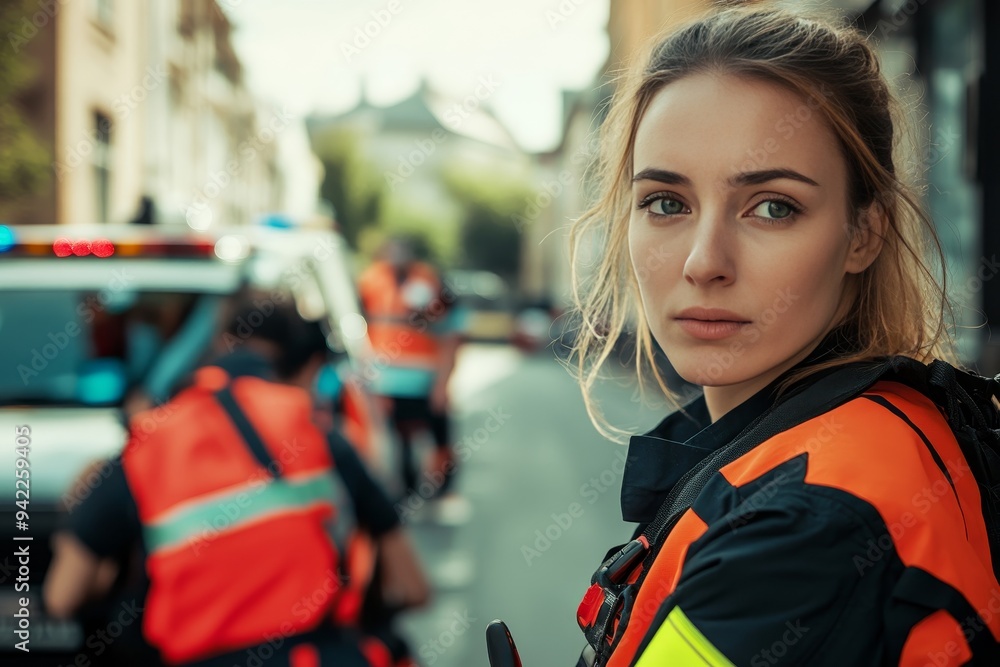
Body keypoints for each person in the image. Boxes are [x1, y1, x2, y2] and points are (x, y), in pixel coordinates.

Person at [560, 6, 1000, 666]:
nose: (703, 261)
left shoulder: (805, 526)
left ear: (863, 233)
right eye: (667, 203)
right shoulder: (858, 430)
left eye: (773, 207)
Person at [44, 298, 429, 666]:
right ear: (306, 367)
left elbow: (62, 597)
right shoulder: (312, 429)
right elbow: (413, 588)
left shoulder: (147, 444)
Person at [358, 237, 467, 518]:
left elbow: (451, 333)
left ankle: (443, 490)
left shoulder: (431, 283)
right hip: (387, 380)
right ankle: (406, 492)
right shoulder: (370, 281)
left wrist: (442, 383)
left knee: (439, 436)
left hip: (425, 379)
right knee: (400, 440)